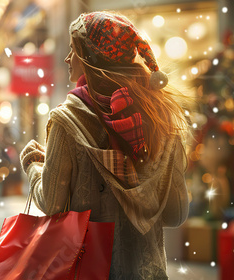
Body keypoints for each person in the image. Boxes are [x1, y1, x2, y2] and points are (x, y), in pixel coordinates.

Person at [20, 11, 190, 279]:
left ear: (90, 57)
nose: (66, 59)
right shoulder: (162, 118)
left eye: (72, 51)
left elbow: (52, 203)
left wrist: (33, 165)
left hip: (88, 270)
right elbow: (176, 214)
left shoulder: (68, 120)